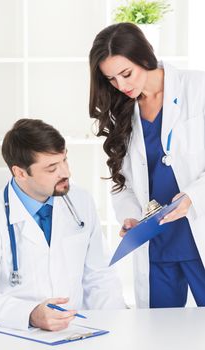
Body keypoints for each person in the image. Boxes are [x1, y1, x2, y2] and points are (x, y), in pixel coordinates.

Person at [89, 22, 205, 309]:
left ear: (145, 56)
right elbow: (122, 181)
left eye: (126, 74)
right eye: (111, 79)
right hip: (158, 242)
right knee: (159, 333)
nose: (122, 86)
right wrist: (130, 216)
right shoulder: (121, 109)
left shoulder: (198, 88)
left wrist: (194, 196)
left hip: (197, 232)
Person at [0, 118, 124, 330]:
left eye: (65, 160)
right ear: (20, 173)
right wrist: (31, 314)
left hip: (77, 330)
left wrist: (118, 327)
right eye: (52, 168)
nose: (66, 173)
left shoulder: (81, 201)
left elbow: (99, 276)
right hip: (16, 333)